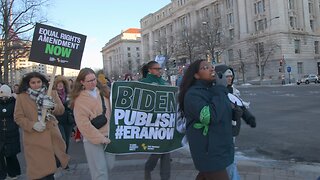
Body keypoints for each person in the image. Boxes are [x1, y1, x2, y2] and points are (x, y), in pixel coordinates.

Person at [178, 59, 235, 180]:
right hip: (208, 152)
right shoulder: (193, 94)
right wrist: (220, 90)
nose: (212, 69)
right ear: (196, 75)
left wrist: (235, 112)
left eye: (212, 67)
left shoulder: (213, 90)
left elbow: (221, 112)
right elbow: (209, 117)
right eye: (205, 67)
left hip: (219, 147)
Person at [14, 72, 69, 179]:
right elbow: (18, 118)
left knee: (50, 171)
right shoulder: (22, 97)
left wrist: (53, 106)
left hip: (52, 138)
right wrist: (33, 125)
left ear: (43, 82)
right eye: (33, 82)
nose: (36, 85)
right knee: (40, 173)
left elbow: (61, 110)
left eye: (38, 82)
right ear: (28, 83)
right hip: (34, 139)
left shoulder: (51, 93)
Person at [215, 64, 256, 180]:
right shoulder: (215, 92)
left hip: (232, 130)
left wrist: (249, 118)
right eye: (227, 76)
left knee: (229, 159)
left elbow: (241, 106)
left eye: (231, 76)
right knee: (228, 160)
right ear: (219, 76)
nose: (230, 78)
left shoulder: (233, 91)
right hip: (220, 131)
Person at [70, 68, 111, 180]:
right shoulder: (79, 100)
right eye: (89, 81)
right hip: (91, 139)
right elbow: (83, 124)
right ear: (82, 82)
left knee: (109, 166)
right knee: (100, 171)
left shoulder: (104, 93)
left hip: (109, 135)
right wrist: (100, 138)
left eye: (94, 79)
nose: (93, 82)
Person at [140, 61, 171, 180]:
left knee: (166, 150)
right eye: (157, 68)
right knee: (158, 149)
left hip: (165, 122)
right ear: (149, 70)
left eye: (160, 68)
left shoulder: (164, 82)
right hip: (151, 123)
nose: (160, 70)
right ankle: (148, 167)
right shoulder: (143, 83)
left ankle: (165, 177)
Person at [0, 85, 21, 179]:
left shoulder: (14, 102)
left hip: (11, 132)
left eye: (5, 95)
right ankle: (2, 175)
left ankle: (13, 174)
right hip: (1, 133)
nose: (3, 97)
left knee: (11, 155)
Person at [53, 75, 74, 153]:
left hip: (68, 121)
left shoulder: (69, 94)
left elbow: (73, 108)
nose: (60, 85)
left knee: (67, 142)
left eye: (62, 83)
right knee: (62, 140)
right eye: (58, 83)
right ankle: (60, 159)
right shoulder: (53, 94)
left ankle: (65, 160)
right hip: (57, 120)